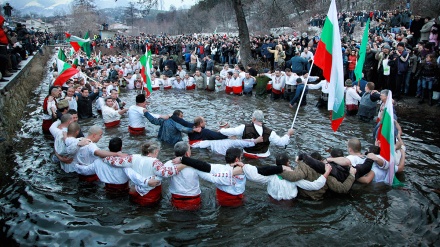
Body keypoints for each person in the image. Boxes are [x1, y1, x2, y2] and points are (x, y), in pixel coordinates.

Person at [100, 142, 187, 206]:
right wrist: (186, 163)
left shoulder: (132, 157)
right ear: (156, 151)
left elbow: (114, 161)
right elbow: (167, 172)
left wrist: (103, 157)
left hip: (135, 191)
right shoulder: (155, 162)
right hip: (150, 195)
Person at [74, 137, 160, 194]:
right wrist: (147, 182)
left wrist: (76, 166)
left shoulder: (98, 162)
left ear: (108, 147)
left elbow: (85, 170)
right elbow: (134, 176)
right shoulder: (125, 163)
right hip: (123, 191)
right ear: (121, 148)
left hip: (107, 191)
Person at [166, 142, 236, 210]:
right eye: (190, 149)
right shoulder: (195, 166)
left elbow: (158, 177)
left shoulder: (168, 165)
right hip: (193, 202)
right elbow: (212, 178)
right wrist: (229, 178)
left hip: (176, 201)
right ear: (187, 153)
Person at [243, 152, 331, 203]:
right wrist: (327, 172)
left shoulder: (269, 176)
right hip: (289, 205)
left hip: (272, 202)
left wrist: (244, 167)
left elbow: (254, 176)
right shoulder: (294, 177)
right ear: (288, 163)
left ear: (275, 162)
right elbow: (314, 186)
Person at [219, 110, 294, 158]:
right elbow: (282, 143)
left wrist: (222, 130)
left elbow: (233, 131)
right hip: (264, 156)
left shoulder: (244, 127)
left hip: (247, 155)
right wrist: (288, 134)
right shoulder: (270, 132)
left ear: (254, 119)